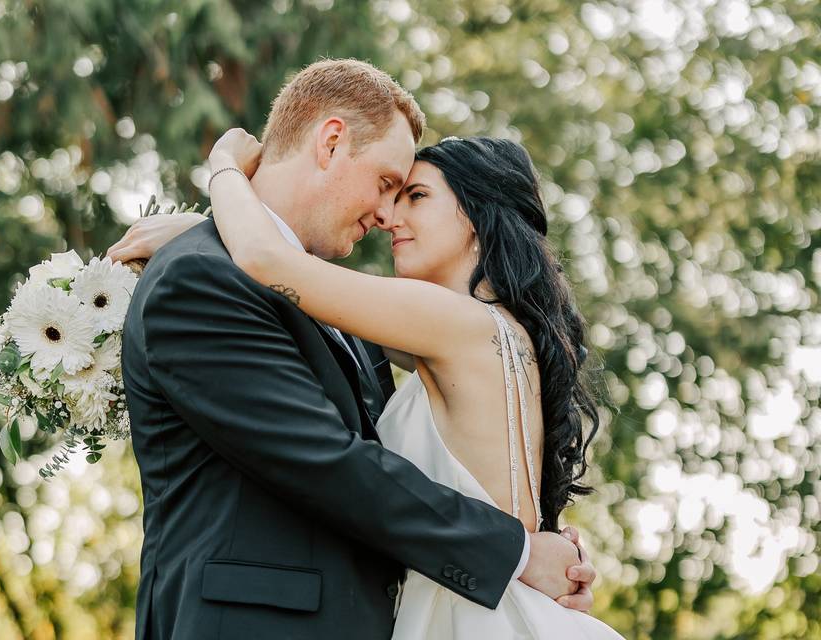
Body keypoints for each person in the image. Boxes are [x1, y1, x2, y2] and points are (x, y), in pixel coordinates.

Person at [109, 59, 596, 640]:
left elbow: (273, 263)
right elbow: (324, 457)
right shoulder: (204, 280)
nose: (388, 214)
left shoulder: (437, 321)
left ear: (475, 219)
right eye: (390, 184)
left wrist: (222, 172)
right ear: (332, 141)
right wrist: (524, 552)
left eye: (412, 194)